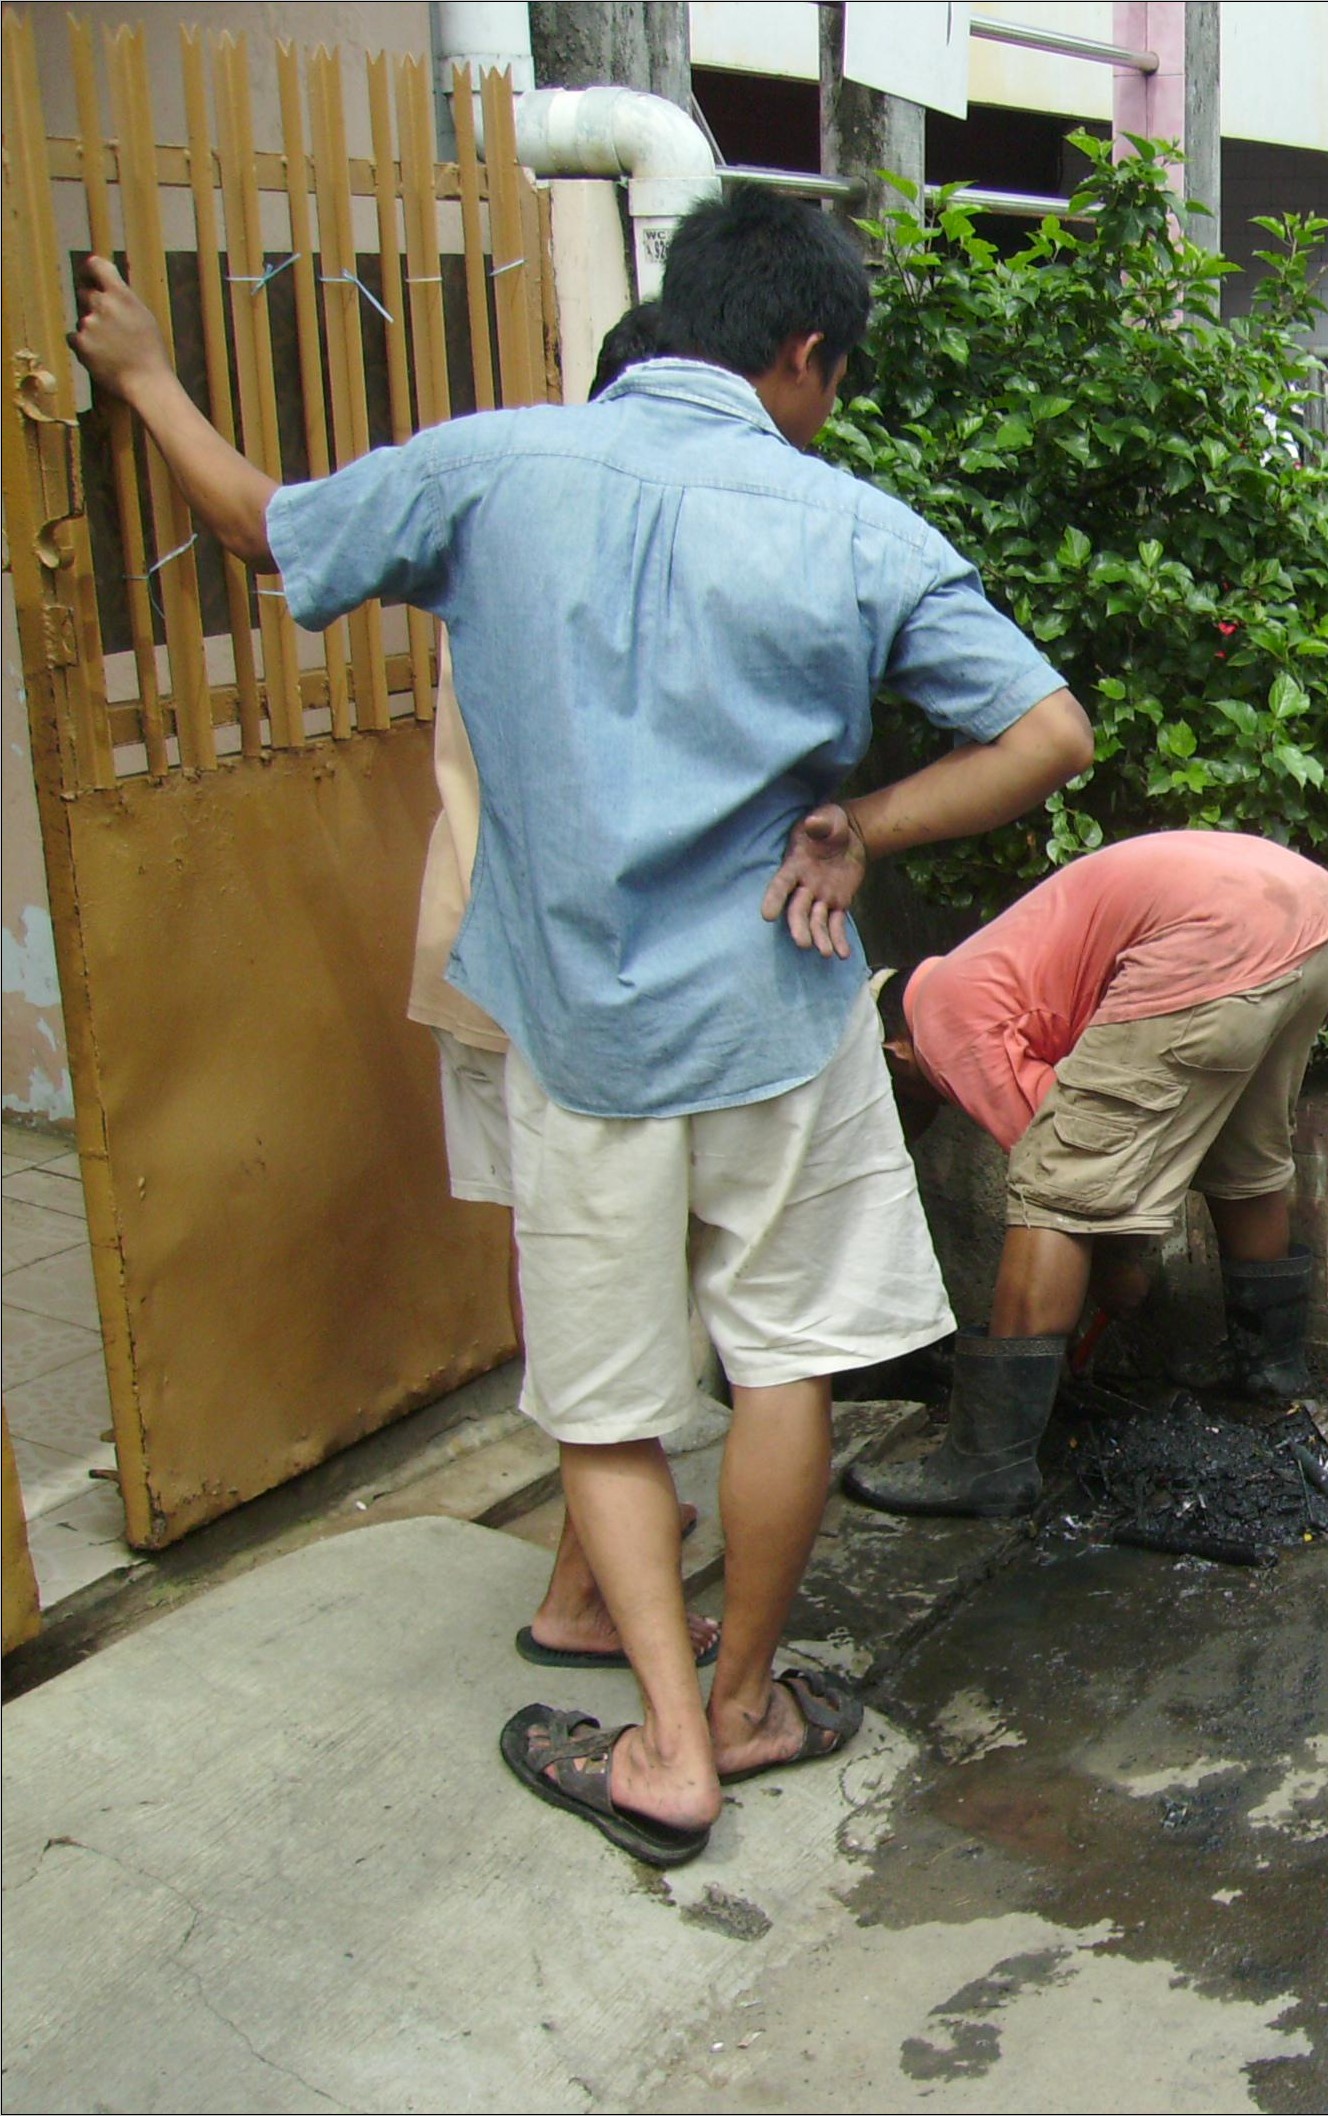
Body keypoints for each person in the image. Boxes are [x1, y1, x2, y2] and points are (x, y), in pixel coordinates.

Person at [68, 186, 1095, 1867]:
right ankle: (751, 1698)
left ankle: (668, 1748)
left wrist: (150, 378)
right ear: (805, 351)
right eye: (836, 373)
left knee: (606, 1406)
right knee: (783, 1366)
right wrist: (862, 829)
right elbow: (1051, 731)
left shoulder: (491, 469)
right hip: (779, 1015)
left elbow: (267, 528)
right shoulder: (853, 527)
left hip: (584, 1039)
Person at [407, 300, 731, 1674]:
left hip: (513, 969)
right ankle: (584, 1602)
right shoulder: (591, 551)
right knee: (616, 1302)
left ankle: (584, 1589)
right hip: (559, 987)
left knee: (610, 1296)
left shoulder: (522, 519)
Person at [845, 831, 1328, 1517]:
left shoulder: (941, 1019)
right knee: (1245, 1151)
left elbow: (1066, 1162)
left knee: (1052, 1184)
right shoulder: (988, 966)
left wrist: (1123, 1263)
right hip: (1311, 928)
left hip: (1214, 941)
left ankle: (986, 1463)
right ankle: (1267, 1368)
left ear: (895, 1052)